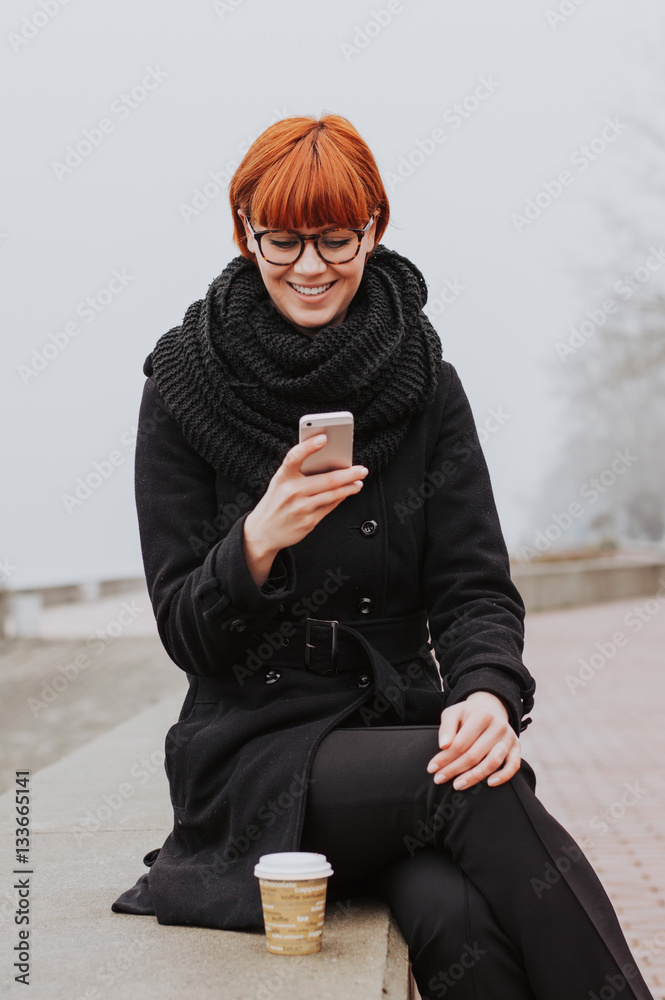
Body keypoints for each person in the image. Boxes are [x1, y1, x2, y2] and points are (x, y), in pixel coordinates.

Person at [111, 114, 655, 1000]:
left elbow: (474, 586)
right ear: (243, 233)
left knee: (458, 922)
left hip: (393, 728)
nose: (311, 265)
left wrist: (484, 688)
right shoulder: (183, 386)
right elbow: (185, 632)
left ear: (376, 227)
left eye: (336, 237)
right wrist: (256, 540)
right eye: (282, 239)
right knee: (473, 790)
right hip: (255, 756)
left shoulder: (424, 381)